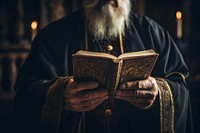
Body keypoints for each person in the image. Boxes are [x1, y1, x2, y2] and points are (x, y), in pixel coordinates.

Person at [14, 0, 193, 133]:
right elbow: (25, 92)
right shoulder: (52, 37)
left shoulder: (154, 33)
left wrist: (158, 91)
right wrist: (60, 95)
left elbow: (180, 87)